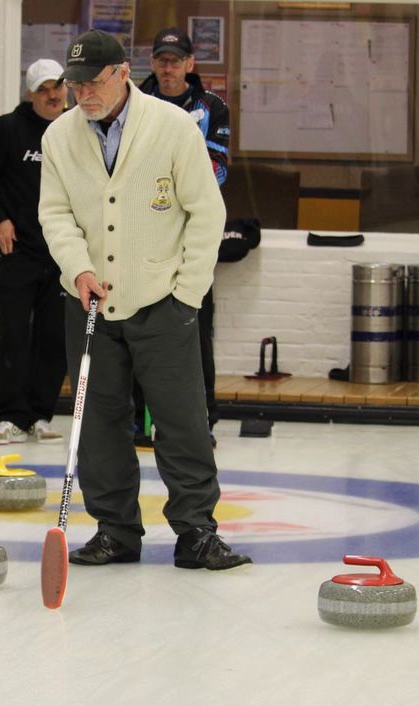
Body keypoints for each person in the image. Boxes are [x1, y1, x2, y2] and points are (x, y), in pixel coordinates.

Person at [39, 29, 251, 571]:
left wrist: (187, 294)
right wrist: (78, 268)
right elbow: (55, 214)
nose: (83, 94)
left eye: (93, 82)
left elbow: (207, 212)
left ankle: (196, 532)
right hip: (87, 302)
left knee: (182, 421)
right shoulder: (59, 136)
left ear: (121, 74)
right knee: (99, 423)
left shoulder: (173, 126)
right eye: (75, 85)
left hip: (162, 300)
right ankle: (115, 530)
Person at [0, 58, 69, 445]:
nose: (52, 95)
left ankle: (41, 415)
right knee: (14, 336)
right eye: (43, 90)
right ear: (30, 94)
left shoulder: (78, 129)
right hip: (19, 252)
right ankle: (12, 417)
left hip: (63, 253)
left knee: (54, 339)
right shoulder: (8, 128)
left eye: (57, 87)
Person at [135, 26, 231, 448]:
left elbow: (219, 170)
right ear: (152, 63)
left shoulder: (212, 106)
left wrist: (171, 179)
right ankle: (139, 421)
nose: (168, 68)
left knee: (194, 330)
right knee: (137, 330)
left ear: (190, 64)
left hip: (192, 236)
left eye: (175, 61)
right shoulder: (135, 99)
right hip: (142, 235)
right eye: (161, 60)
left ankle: (201, 421)